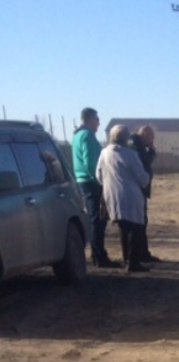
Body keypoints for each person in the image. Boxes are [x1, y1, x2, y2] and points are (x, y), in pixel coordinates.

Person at [96, 125, 151, 272]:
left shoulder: (104, 153)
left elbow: (98, 175)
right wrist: (147, 177)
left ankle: (126, 259)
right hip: (131, 195)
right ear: (126, 138)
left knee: (123, 228)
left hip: (112, 195)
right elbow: (142, 177)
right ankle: (133, 262)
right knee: (135, 228)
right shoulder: (130, 154)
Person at [72, 107, 120, 267]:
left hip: (82, 181)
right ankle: (99, 256)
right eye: (97, 119)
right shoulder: (88, 136)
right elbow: (91, 163)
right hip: (92, 182)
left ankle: (97, 254)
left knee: (96, 219)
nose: (99, 123)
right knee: (97, 220)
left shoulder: (77, 135)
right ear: (89, 119)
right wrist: (101, 181)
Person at [129, 125, 160, 263]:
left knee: (143, 222)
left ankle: (143, 253)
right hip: (137, 189)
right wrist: (152, 151)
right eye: (151, 137)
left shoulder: (137, 146)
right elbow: (143, 163)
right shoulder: (136, 147)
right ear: (145, 135)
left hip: (141, 189)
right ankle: (140, 255)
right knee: (139, 223)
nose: (152, 140)